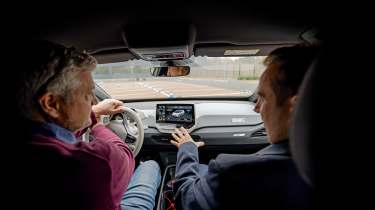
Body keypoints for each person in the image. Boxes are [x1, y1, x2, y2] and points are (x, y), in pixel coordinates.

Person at [15, 41, 161, 210]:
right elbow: (125, 157)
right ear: (51, 103)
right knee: (150, 166)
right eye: (87, 94)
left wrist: (94, 111)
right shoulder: (87, 162)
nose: (94, 101)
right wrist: (97, 124)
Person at [170, 44, 319, 210]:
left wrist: (187, 148)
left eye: (262, 98)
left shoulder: (234, 172)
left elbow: (186, 198)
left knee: (152, 166)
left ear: (296, 107)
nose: (256, 108)